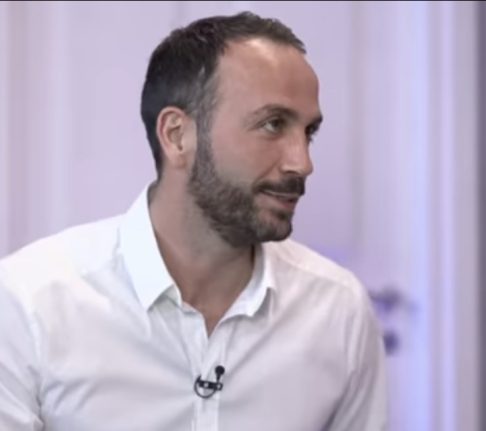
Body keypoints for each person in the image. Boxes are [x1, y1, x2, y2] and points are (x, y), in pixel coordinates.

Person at [0, 11, 387, 431]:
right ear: (177, 135)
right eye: (272, 124)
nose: (302, 162)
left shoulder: (338, 310)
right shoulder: (28, 303)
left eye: (308, 132)